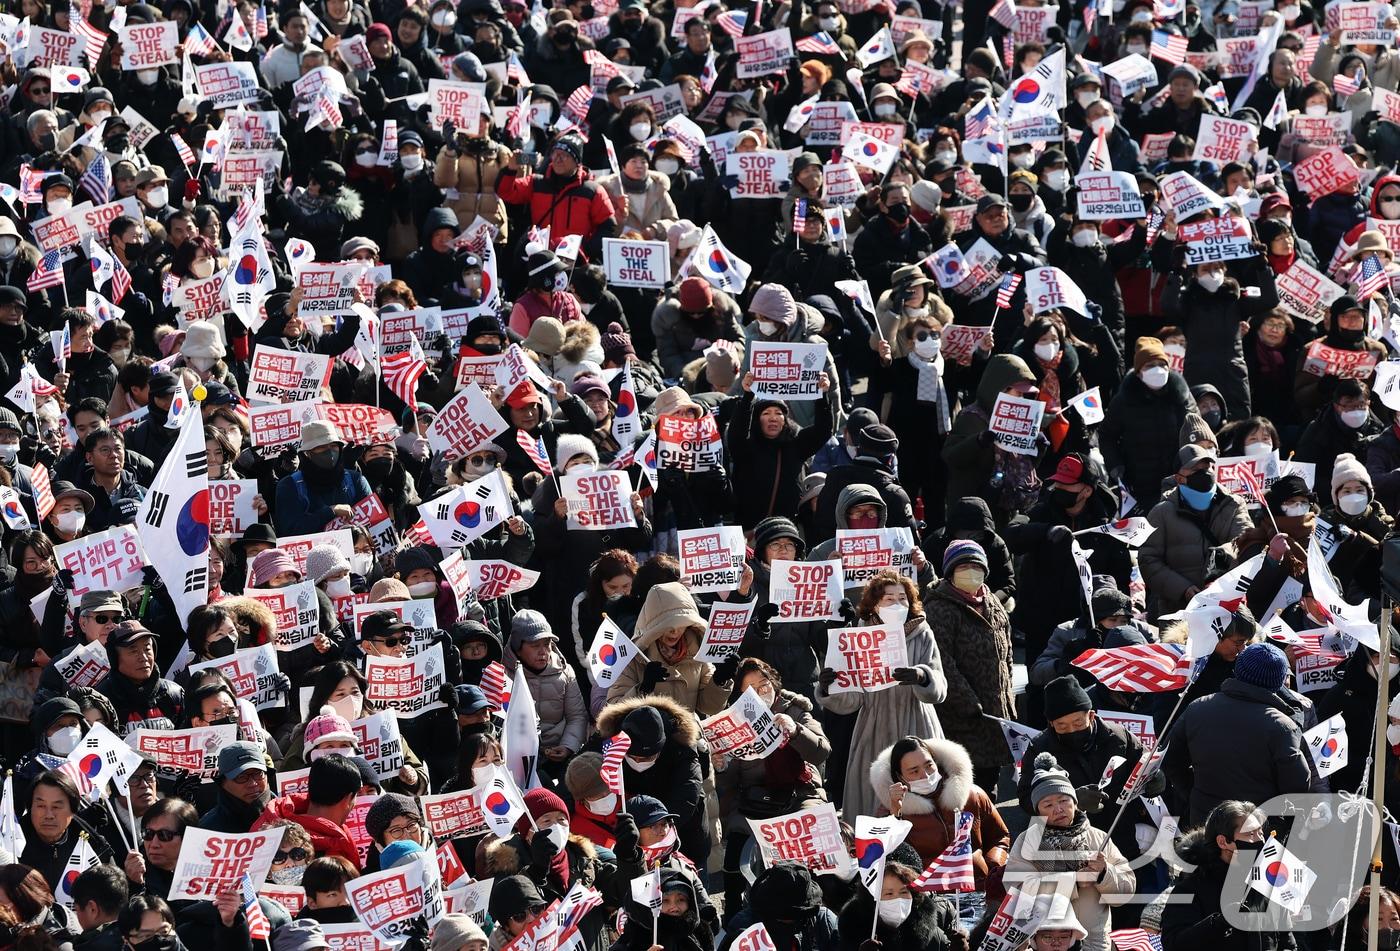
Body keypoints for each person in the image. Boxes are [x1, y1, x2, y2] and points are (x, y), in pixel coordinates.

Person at [1163, 643, 1314, 826]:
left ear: (1237, 670)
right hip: (1256, 826)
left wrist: (1196, 794)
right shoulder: (1282, 726)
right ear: (1280, 681)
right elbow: (1297, 784)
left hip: (1205, 820)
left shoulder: (1198, 707)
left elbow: (1169, 759)